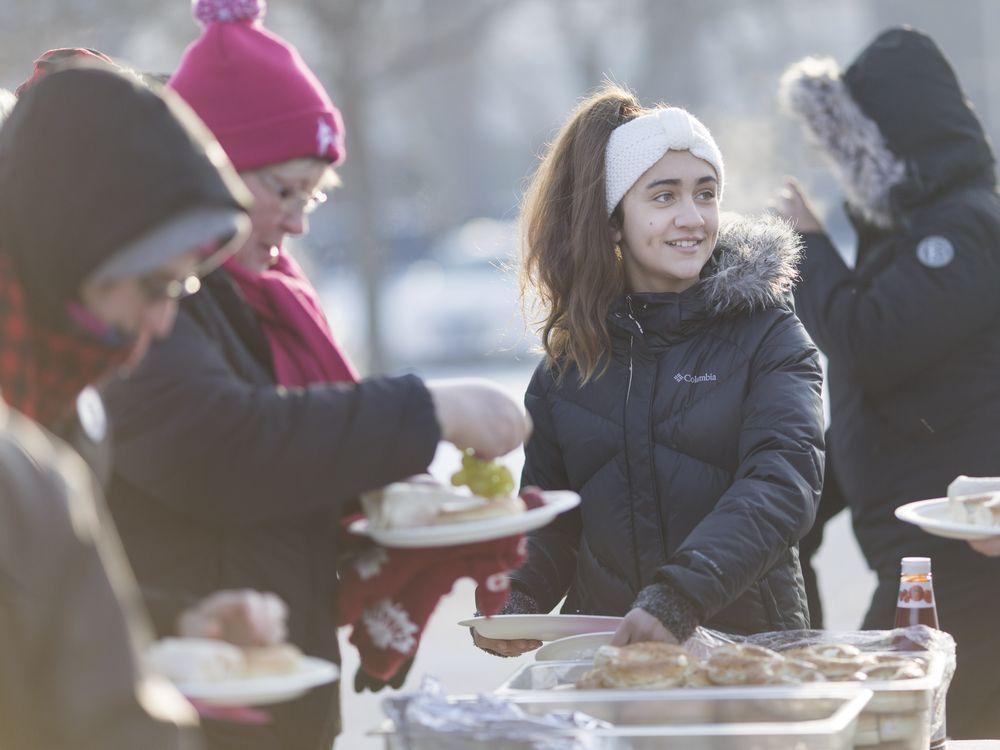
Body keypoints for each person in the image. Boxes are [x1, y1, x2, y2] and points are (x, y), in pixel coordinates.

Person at [100, 2, 531, 748]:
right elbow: (223, 447)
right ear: (217, 174)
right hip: (190, 713)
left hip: (276, 693)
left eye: (315, 194)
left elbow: (287, 468)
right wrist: (426, 409)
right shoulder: (151, 301)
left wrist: (394, 509)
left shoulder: (258, 301)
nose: (300, 221)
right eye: (283, 190)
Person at [472, 82, 825, 657]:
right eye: (664, 197)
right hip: (608, 663)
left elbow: (783, 484)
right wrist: (518, 600)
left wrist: (678, 597)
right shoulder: (572, 359)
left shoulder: (769, 335)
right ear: (614, 222)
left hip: (746, 659)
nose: (692, 217)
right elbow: (552, 518)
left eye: (705, 194)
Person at [0, 62, 254, 750]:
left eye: (182, 290)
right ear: (70, 255)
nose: (163, 321)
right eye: (152, 286)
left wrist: (171, 622)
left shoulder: (72, 409)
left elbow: (40, 617)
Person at [774, 27, 1000, 739]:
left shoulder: (964, 229)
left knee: (899, 726)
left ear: (893, 142)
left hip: (968, 566)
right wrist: (799, 490)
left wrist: (805, 246)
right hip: (922, 558)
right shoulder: (912, 227)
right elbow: (898, 399)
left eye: (851, 151)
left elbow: (870, 344)